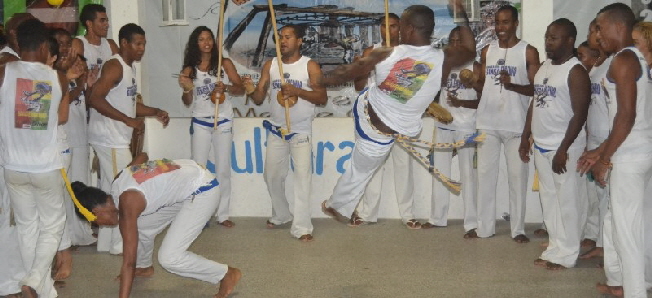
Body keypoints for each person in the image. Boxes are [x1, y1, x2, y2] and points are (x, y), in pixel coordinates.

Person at [321, 3, 475, 222]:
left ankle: (394, 213)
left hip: (387, 122)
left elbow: (343, 75)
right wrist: (460, 16)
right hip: (386, 123)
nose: (395, 31)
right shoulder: (436, 58)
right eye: (389, 26)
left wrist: (317, 80)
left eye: (398, 26)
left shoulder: (406, 54)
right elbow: (470, 50)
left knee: (380, 169)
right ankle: (353, 209)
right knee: (366, 168)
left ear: (409, 28)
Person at [71, 155, 241, 298]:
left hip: (203, 189)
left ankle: (225, 273)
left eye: (95, 223)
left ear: (96, 212)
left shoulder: (128, 203)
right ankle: (144, 266)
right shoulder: (117, 184)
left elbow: (128, 263)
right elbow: (142, 155)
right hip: (188, 180)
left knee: (169, 258)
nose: (101, 227)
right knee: (141, 225)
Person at [577, 3, 652, 297]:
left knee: (626, 234)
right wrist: (599, 150)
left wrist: (605, 159)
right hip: (640, 150)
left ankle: (634, 292)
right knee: (640, 227)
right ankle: (643, 283)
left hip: (630, 157)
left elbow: (626, 116)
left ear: (619, 27)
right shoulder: (635, 58)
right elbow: (631, 117)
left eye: (600, 27)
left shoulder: (623, 60)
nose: (597, 34)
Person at [0, 18, 70, 298]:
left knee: (27, 227)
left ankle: (44, 291)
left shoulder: (4, 73)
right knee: (52, 225)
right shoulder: (58, 77)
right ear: (44, 45)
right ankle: (36, 279)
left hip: (13, 167)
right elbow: (62, 116)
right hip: (46, 166)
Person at [87, 23, 169, 255]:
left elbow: (131, 105)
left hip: (114, 138)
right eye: (138, 44)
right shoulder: (115, 66)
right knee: (122, 191)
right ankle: (117, 244)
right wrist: (126, 120)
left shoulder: (128, 68)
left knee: (109, 190)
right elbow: (95, 98)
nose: (142, 48)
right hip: (110, 139)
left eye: (144, 44)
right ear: (124, 43)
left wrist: (155, 111)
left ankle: (105, 243)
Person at [245, 24, 327, 242]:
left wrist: (298, 91)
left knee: (302, 179)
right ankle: (281, 214)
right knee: (271, 176)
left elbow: (322, 98)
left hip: (300, 131)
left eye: (288, 37)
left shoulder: (310, 66)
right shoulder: (271, 65)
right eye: (280, 37)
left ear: (299, 40)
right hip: (276, 130)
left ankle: (302, 227)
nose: (283, 41)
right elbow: (259, 98)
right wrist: (250, 89)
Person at [520, 18, 590, 270]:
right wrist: (525, 136)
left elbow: (580, 114)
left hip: (565, 149)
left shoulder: (576, 71)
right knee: (549, 200)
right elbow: (535, 103)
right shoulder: (544, 67)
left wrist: (563, 149)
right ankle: (555, 248)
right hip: (540, 144)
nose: (548, 42)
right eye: (547, 36)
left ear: (569, 40)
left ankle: (569, 253)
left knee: (568, 202)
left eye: (554, 37)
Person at [473, 4, 540, 243]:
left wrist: (512, 85)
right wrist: (473, 81)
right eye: (497, 23)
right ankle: (484, 228)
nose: (500, 27)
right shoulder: (486, 51)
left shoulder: (528, 51)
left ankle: (518, 229)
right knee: (485, 177)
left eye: (505, 22)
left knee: (517, 178)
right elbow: (482, 86)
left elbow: (536, 89)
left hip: (516, 125)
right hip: (487, 122)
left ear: (515, 24)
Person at [348, 13, 421, 229]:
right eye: (383, 26)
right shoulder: (371, 52)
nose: (387, 30)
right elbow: (358, 86)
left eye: (393, 26)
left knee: (404, 167)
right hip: (373, 119)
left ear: (401, 29)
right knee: (371, 166)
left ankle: (408, 214)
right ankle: (367, 213)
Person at [178, 26, 244, 228]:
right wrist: (187, 87)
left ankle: (222, 214)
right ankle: (200, 213)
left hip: (223, 120)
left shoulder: (224, 64)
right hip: (200, 122)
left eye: (209, 39)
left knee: (223, 168)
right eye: (201, 39)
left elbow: (240, 89)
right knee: (199, 168)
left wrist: (227, 88)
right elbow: (187, 101)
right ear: (194, 43)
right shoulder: (189, 69)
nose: (206, 43)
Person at [71, 3, 120, 254]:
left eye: (107, 20)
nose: (106, 24)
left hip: (101, 115)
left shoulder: (110, 46)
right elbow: (77, 77)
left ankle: (102, 219)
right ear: (89, 24)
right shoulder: (79, 44)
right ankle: (78, 228)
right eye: (102, 20)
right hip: (79, 112)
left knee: (103, 172)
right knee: (78, 172)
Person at [425, 26, 480, 237]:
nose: (456, 44)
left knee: (468, 173)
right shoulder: (443, 64)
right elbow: (433, 88)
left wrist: (472, 84)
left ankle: (472, 223)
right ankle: (437, 218)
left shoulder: (475, 65)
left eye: (461, 41)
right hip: (443, 124)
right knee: (440, 172)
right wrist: (431, 106)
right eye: (453, 41)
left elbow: (483, 98)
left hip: (466, 125)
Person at [579, 19, 611, 261]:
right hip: (593, 137)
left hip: (608, 141)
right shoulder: (594, 69)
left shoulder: (613, 65)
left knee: (607, 196)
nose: (591, 34)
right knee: (594, 194)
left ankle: (606, 244)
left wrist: (605, 148)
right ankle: (595, 235)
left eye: (594, 30)